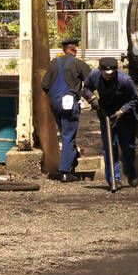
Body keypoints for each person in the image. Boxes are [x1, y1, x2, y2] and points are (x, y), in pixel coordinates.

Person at [84, 56, 138, 189]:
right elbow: (86, 89)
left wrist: (121, 112)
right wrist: (93, 99)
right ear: (101, 71)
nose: (109, 76)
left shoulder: (124, 80)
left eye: (112, 74)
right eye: (106, 74)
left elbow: (135, 98)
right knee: (109, 148)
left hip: (125, 117)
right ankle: (113, 179)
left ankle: (130, 172)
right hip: (106, 114)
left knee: (128, 147)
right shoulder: (94, 76)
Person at [41, 36, 91, 182]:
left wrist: (55, 96)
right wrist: (92, 100)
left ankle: (72, 159)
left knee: (65, 133)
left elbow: (45, 85)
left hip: (55, 103)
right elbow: (91, 83)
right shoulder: (79, 64)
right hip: (69, 103)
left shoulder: (53, 64)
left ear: (63, 50)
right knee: (69, 135)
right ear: (75, 49)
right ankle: (65, 172)